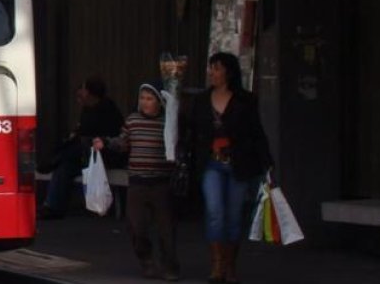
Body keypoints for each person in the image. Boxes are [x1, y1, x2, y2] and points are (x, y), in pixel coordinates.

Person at [181, 52, 272, 284]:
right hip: (211, 162)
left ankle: (231, 265)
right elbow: (190, 129)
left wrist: (267, 163)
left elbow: (256, 132)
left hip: (238, 162)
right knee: (214, 211)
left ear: (229, 72)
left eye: (218, 68)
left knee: (233, 215)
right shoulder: (201, 100)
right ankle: (217, 264)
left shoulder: (245, 100)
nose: (213, 73)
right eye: (211, 68)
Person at [95, 83, 179, 281]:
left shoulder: (168, 122)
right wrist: (106, 143)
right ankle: (147, 260)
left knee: (166, 228)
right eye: (142, 98)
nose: (145, 102)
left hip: (161, 183)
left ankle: (170, 265)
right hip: (137, 182)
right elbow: (122, 143)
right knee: (136, 225)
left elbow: (178, 144)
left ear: (160, 102)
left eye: (150, 99)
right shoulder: (133, 121)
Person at [39, 75, 125, 219]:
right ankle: (52, 207)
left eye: (83, 88)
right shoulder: (87, 110)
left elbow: (106, 137)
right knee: (65, 167)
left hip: (104, 154)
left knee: (73, 150)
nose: (80, 91)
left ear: (91, 93)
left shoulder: (107, 109)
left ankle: (52, 161)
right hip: (85, 155)